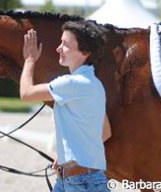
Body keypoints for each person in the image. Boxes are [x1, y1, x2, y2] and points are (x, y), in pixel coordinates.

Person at [20, 20, 111, 192]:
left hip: (80, 182)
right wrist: (68, 157)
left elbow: (26, 93)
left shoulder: (73, 83)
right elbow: (105, 132)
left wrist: (30, 60)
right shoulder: (95, 84)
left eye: (65, 44)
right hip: (76, 179)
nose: (58, 48)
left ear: (85, 52)